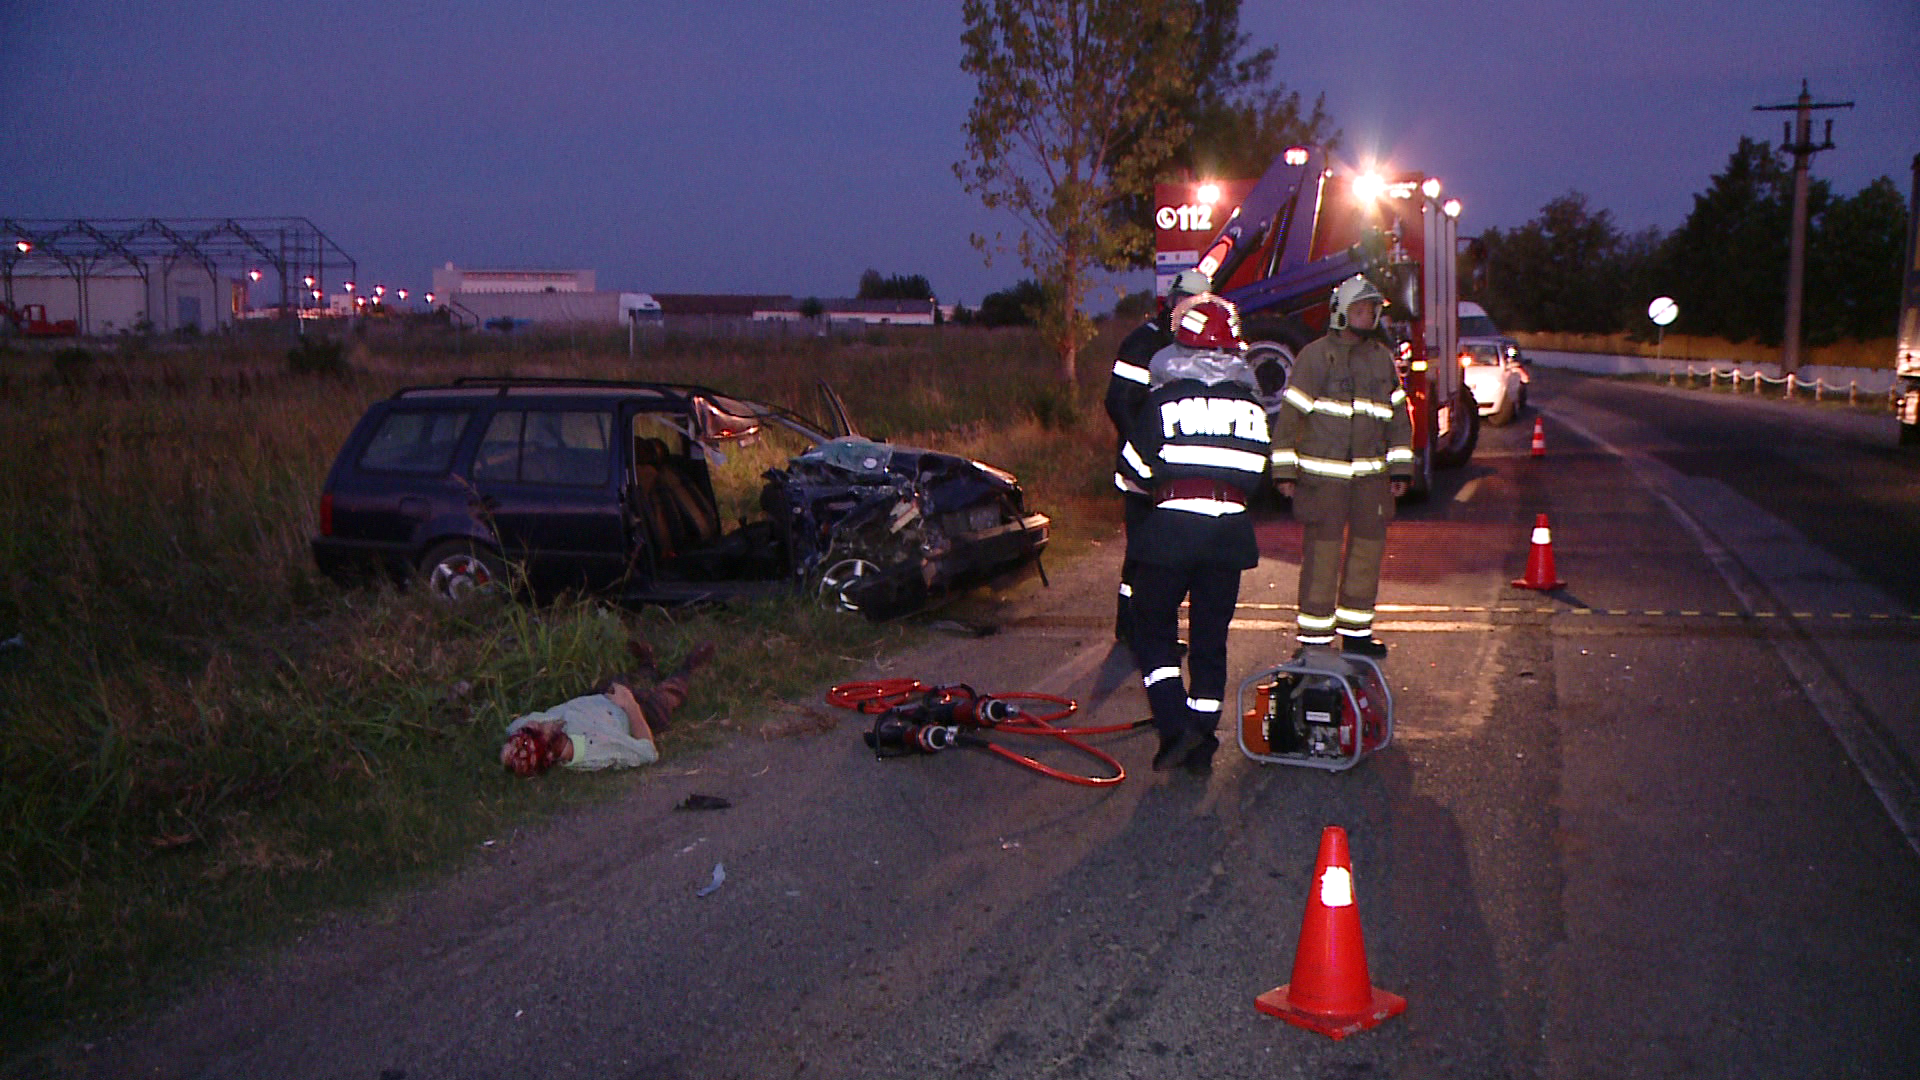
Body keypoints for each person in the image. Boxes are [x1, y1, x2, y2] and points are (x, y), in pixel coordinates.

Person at [1113, 294, 1270, 775]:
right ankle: (1202, 738)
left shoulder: (1165, 399)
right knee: (1209, 638)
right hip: (1229, 536)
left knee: (1151, 625)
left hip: (1170, 531)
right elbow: (1257, 472)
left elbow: (1131, 472)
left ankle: (1173, 722)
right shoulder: (1251, 405)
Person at [1268, 275, 1413, 657]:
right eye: (1360, 310)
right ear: (1340, 313)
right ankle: (1314, 641)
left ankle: (1357, 635)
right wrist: (1284, 470)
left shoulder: (1381, 359)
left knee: (1366, 555)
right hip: (1323, 480)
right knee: (1322, 556)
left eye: (1372, 310)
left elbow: (1398, 419)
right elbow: (1291, 417)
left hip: (1371, 481)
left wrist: (1400, 469)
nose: (1368, 317)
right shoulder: (1315, 357)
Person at [1105, 268, 1211, 646]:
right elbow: (1119, 402)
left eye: (1200, 303)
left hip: (1180, 474)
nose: (1192, 310)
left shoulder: (1202, 346)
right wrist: (1148, 453)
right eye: (1186, 302)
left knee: (1173, 559)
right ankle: (1133, 629)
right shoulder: (1143, 344)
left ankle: (1154, 629)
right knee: (1144, 555)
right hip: (1145, 472)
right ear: (1171, 301)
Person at [500, 640, 717, 777]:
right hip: (632, 714)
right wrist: (630, 705)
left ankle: (648, 666)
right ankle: (689, 667)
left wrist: (523, 735)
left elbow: (513, 728)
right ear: (549, 748)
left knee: (626, 679)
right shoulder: (595, 749)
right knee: (664, 700)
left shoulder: (544, 727)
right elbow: (648, 753)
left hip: (601, 698)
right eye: (533, 730)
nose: (533, 723)